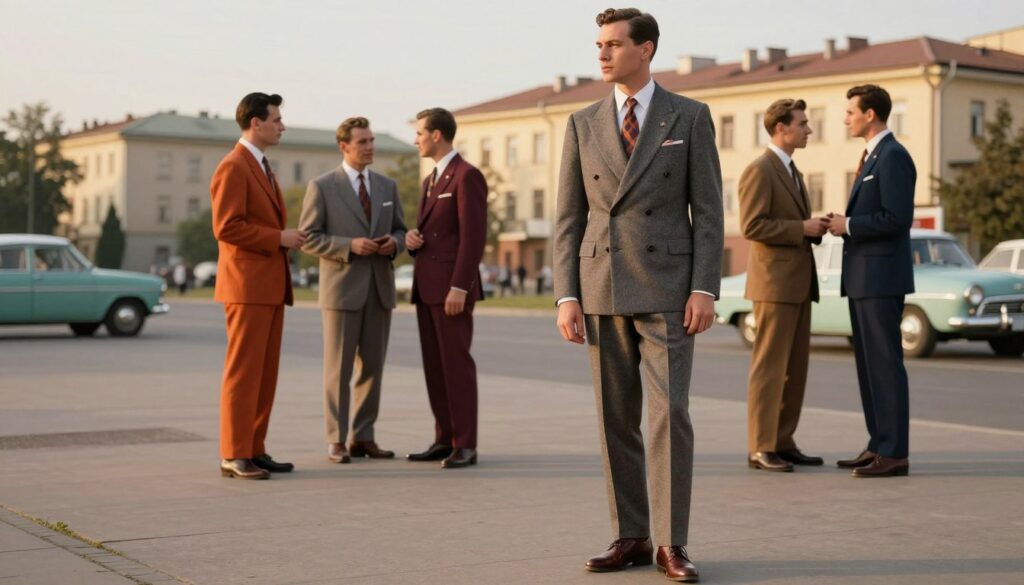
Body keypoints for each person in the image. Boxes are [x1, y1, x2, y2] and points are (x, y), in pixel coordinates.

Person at [554, 8, 722, 582]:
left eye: (613, 44)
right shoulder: (582, 122)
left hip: (671, 289)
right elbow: (567, 219)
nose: (601, 54)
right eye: (597, 44)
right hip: (600, 284)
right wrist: (565, 296)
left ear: (645, 49)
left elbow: (710, 213)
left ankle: (671, 543)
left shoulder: (691, 117)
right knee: (614, 418)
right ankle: (630, 534)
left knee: (669, 413)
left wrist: (704, 286)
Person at [299, 117, 407, 464]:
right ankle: (336, 439)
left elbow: (403, 232)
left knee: (372, 367)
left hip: (379, 289)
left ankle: (363, 436)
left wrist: (393, 243)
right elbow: (309, 237)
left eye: (372, 140)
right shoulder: (322, 186)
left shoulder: (387, 187)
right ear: (344, 146)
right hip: (341, 291)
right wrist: (350, 245)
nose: (370, 146)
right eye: (363, 141)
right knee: (339, 370)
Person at [210, 92, 306, 480]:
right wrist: (277, 238)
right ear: (255, 122)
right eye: (277, 119)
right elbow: (226, 227)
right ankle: (234, 453)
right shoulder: (234, 166)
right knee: (244, 372)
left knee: (265, 373)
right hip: (247, 287)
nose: (282, 125)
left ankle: (254, 447)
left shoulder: (261, 166)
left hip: (267, 285)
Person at [826, 84, 915, 478]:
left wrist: (849, 225)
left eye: (850, 112)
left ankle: (894, 452)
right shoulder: (873, 156)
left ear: (870, 114)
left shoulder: (893, 156)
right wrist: (846, 225)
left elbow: (897, 218)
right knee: (868, 367)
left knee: (885, 366)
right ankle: (878, 444)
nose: (845, 119)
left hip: (880, 279)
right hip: (864, 279)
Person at [739, 99, 828, 473]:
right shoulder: (760, 170)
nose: (808, 129)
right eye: (803, 123)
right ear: (781, 128)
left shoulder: (794, 172)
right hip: (774, 285)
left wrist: (813, 228)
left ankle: (782, 441)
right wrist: (801, 229)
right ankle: (761, 446)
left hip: (797, 282)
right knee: (769, 368)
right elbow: (752, 226)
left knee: (795, 368)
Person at [405, 108, 487, 469]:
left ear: (437, 135)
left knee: (456, 366)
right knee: (435, 367)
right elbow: (434, 233)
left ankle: (465, 444)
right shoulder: (430, 181)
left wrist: (460, 286)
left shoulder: (466, 176)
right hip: (426, 287)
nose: (416, 139)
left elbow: (473, 237)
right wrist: (412, 240)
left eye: (420, 132)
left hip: (451, 289)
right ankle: (444, 438)